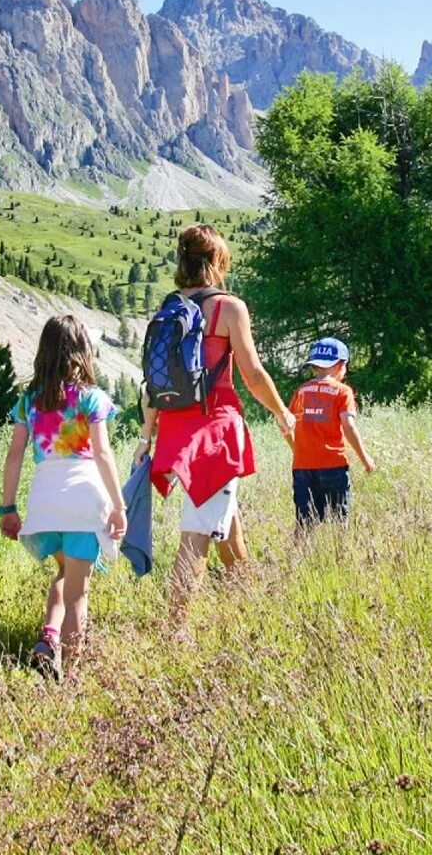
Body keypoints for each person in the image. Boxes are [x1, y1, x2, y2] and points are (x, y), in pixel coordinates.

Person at [136, 223, 296, 618]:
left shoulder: (168, 308)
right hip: (214, 431)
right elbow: (253, 374)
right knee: (198, 532)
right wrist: (282, 412)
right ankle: (176, 629)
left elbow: (152, 383)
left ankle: (253, 605)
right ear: (217, 261)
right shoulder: (228, 308)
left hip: (175, 429)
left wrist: (146, 436)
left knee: (226, 520)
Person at [0, 315, 127, 678]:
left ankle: (48, 637)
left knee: (64, 571)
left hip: (44, 499)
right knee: (77, 595)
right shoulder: (91, 399)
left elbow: (14, 455)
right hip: (84, 499)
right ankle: (70, 677)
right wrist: (118, 505)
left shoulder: (29, 402)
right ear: (82, 352)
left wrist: (8, 507)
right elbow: (102, 454)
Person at [287, 337, 376, 526]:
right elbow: (348, 425)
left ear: (313, 366)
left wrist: (297, 450)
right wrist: (364, 457)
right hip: (333, 465)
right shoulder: (343, 391)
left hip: (302, 466)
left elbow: (285, 425)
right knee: (338, 523)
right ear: (341, 365)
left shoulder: (301, 390)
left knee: (305, 524)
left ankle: (299, 556)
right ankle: (339, 554)